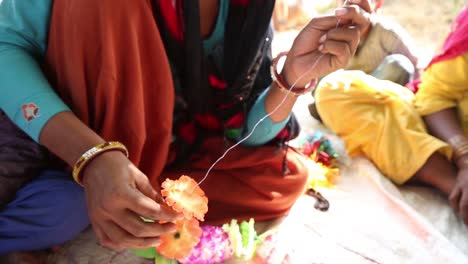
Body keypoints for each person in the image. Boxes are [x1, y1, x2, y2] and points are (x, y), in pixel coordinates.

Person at [0, 0, 367, 259]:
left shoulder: (247, 9)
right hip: (60, 131)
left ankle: (111, 193)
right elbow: (7, 45)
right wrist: (92, 156)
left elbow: (242, 134)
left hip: (153, 159)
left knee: (280, 179)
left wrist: (291, 79)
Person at [314, 6, 468, 224]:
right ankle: (453, 184)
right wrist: (464, 157)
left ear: (376, 5)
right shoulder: (334, 33)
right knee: (334, 88)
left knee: (397, 67)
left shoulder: (385, 31)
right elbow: (433, 95)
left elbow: (413, 66)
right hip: (441, 126)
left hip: (421, 133)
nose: (355, 6)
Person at [309, 0, 420, 120]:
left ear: (377, 4)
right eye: (348, 3)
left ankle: (343, 112)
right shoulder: (332, 31)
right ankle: (343, 111)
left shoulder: (386, 31)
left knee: (399, 65)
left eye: (360, 4)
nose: (354, 11)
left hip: (375, 93)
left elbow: (416, 67)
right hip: (344, 89)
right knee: (322, 77)